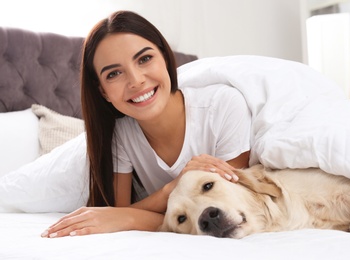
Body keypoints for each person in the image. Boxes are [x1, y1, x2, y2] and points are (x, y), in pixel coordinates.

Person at [41, 10, 251, 238]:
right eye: (114, 74)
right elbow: (117, 214)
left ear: (164, 56)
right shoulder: (121, 134)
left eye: (144, 59)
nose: (136, 80)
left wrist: (129, 216)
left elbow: (239, 199)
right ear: (103, 91)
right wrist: (171, 189)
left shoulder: (223, 106)